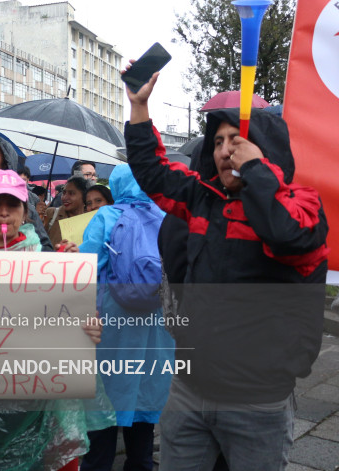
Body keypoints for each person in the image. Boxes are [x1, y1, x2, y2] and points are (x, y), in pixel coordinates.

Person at [124, 68, 328, 471]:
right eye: (217, 142)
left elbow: (286, 236)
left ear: (263, 148)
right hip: (188, 393)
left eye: (236, 140)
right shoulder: (204, 199)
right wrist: (140, 107)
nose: (224, 150)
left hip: (258, 402)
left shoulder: (303, 203)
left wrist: (255, 172)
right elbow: (153, 172)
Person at [0, 169, 100, 471]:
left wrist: (88, 326)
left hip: (33, 395)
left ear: (25, 212)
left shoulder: (48, 261)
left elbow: (74, 325)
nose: (4, 212)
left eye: (12, 205)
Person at [77, 164, 174, 471]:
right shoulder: (167, 218)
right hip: (156, 328)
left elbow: (87, 270)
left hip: (110, 328)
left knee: (103, 407)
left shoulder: (105, 216)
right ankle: (140, 463)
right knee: (145, 402)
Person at [43, 176, 89, 247]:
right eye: (64, 193)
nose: (65, 197)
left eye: (71, 193)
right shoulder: (51, 214)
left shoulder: (91, 220)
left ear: (84, 196)